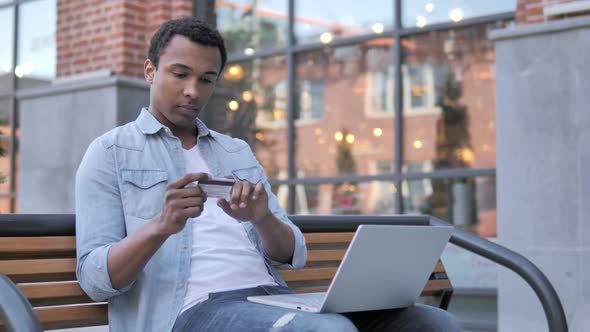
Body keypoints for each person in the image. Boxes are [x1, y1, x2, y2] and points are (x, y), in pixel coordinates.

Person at [75, 18, 461, 332]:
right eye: (180, 74)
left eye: (206, 79)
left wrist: (261, 218)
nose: (193, 90)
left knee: (432, 322)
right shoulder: (110, 152)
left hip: (270, 297)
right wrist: (160, 225)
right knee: (328, 331)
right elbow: (94, 279)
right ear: (149, 70)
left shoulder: (234, 151)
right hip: (188, 312)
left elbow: (291, 254)